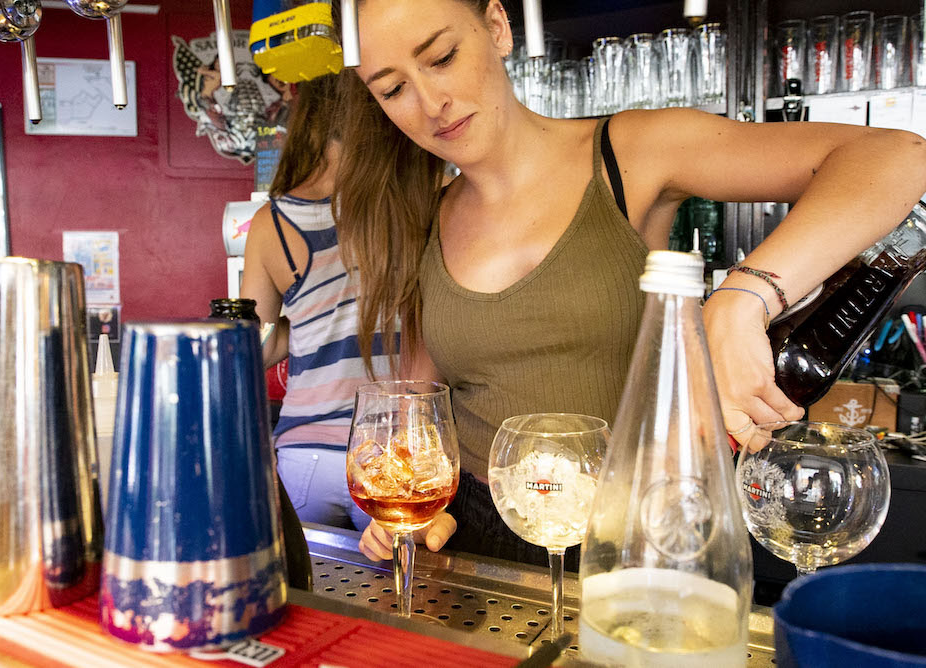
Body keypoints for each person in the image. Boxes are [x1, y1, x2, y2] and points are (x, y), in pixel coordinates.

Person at [328, 0, 926, 565]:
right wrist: (411, 507)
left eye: (441, 57)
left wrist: (745, 297)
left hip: (638, 529)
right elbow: (420, 417)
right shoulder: (421, 215)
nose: (432, 101)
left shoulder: (629, 152)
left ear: (497, 27)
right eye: (394, 88)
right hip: (479, 544)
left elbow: (899, 157)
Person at [240, 73, 394, 532]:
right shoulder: (403, 202)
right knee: (395, 597)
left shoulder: (269, 222)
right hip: (387, 452)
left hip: (303, 456)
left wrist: (308, 320)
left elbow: (258, 345)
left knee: (314, 595)